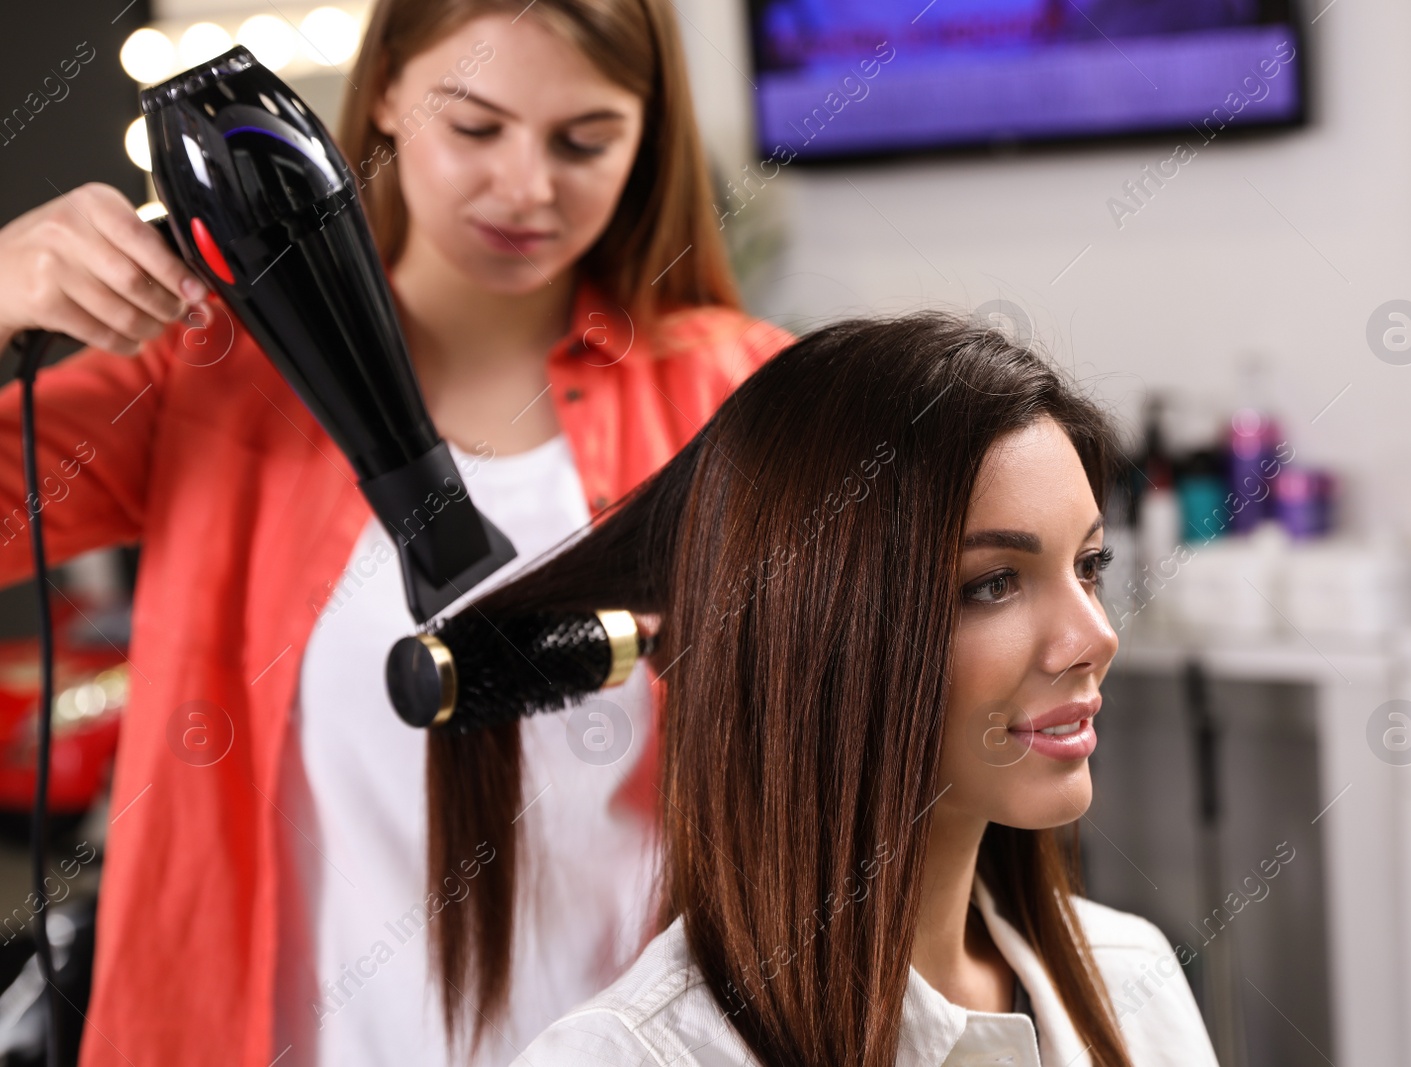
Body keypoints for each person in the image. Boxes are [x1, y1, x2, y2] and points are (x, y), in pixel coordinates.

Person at [0, 1, 790, 1064]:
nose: (527, 188)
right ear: (379, 97)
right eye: (473, 128)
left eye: (584, 140)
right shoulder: (206, 378)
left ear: (650, 131)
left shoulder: (742, 391)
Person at [432, 313, 1221, 1065]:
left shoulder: (1132, 981)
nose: (1094, 636)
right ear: (820, 630)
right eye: (995, 584)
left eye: (1089, 566)